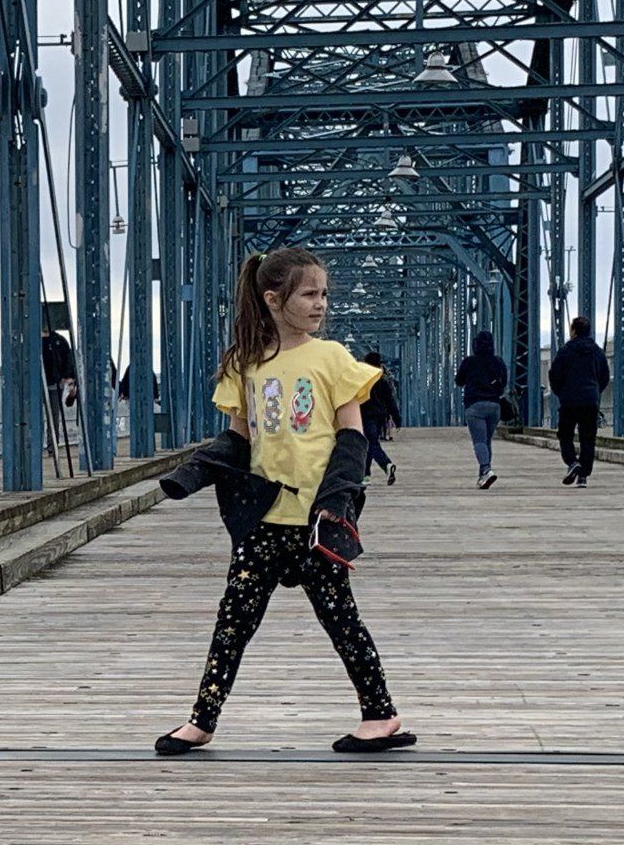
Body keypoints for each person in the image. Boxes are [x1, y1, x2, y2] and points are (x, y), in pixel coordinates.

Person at [155, 246, 413, 758]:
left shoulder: (332, 358)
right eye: (309, 294)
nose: (321, 304)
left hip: (317, 519)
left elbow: (352, 435)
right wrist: (195, 471)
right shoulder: (245, 364)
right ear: (273, 300)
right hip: (264, 517)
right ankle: (201, 721)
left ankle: (380, 715)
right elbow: (239, 437)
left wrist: (338, 496)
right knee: (233, 621)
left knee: (341, 619)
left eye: (324, 294)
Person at [546, 315, 611, 488]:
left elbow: (554, 375)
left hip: (569, 401)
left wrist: (561, 393)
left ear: (573, 331)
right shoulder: (597, 352)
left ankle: (572, 462)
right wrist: (595, 391)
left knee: (565, 434)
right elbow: (605, 376)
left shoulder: (565, 351)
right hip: (590, 401)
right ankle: (583, 476)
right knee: (588, 438)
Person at [454, 329, 509, 488]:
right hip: (494, 406)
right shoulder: (498, 362)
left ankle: (485, 469)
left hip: (475, 406)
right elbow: (504, 383)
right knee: (486, 441)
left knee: (479, 441)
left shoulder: (469, 362)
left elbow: (459, 381)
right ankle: (483, 476)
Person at [360, 349, 401, 486]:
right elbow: (390, 401)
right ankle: (366, 475)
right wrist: (397, 418)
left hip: (365, 416)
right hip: (380, 417)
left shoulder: (362, 381)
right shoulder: (383, 382)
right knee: (371, 443)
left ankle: (385, 465)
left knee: (370, 444)